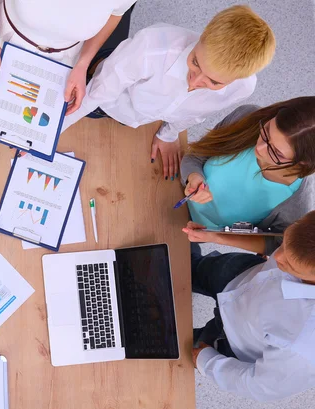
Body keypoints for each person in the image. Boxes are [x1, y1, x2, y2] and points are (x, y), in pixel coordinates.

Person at [61, 5, 276, 180]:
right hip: (101, 92)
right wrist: (45, 140)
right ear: (202, 37)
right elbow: (97, 94)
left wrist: (169, 135)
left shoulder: (243, 87)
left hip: (130, 116)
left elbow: (196, 114)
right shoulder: (151, 46)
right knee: (111, 10)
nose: (195, 81)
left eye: (213, 82)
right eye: (195, 62)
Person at [191, 210, 315, 402]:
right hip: (241, 274)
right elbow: (273, 244)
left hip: (231, 340)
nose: (277, 256)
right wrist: (216, 236)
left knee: (172, 343)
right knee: (193, 267)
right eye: (284, 244)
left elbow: (262, 386)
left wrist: (206, 361)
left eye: (289, 265)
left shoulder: (306, 347)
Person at [0, 0, 137, 113]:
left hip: (62, 58)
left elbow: (116, 13)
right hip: (5, 38)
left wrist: (83, 64)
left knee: (23, 114)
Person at [181, 97, 315, 255]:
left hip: (193, 231)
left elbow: (278, 245)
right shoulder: (247, 116)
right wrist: (194, 176)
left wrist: (217, 237)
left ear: (304, 162)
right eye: (266, 132)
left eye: (276, 152)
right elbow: (197, 154)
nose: (260, 147)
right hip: (172, 191)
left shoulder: (296, 202)